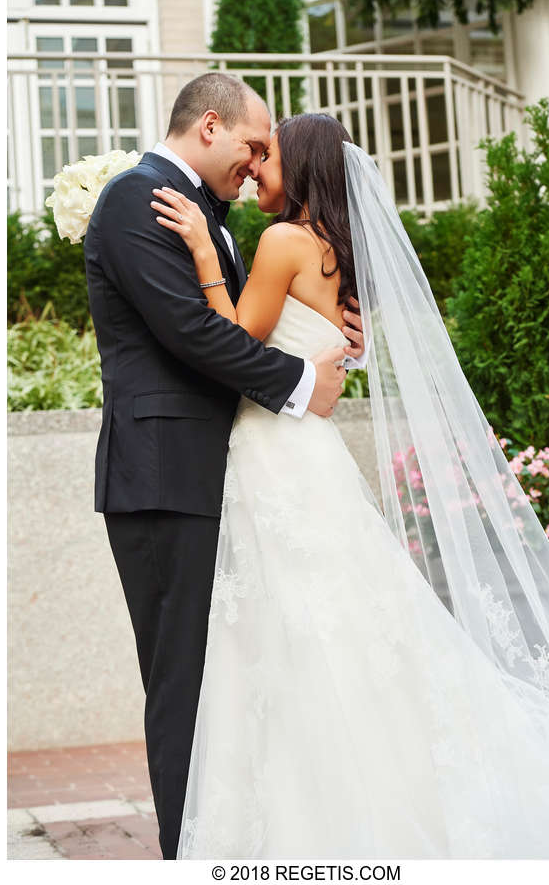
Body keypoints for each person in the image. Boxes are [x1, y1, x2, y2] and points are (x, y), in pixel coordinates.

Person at [151, 112, 549, 859]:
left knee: (288, 640)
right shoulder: (336, 255)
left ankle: (303, 827)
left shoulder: (283, 242)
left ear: (298, 170)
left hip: (277, 460)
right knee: (342, 634)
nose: (259, 168)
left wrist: (202, 247)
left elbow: (229, 337)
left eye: (269, 158)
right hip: (313, 457)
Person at [83, 75, 367, 860]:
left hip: (225, 471)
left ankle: (235, 843)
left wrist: (326, 327)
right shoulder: (135, 201)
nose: (254, 164)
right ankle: (187, 854)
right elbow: (192, 334)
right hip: (163, 473)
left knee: (225, 680)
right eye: (250, 145)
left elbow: (247, 320)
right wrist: (306, 381)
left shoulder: (216, 216)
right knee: (183, 685)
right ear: (210, 126)